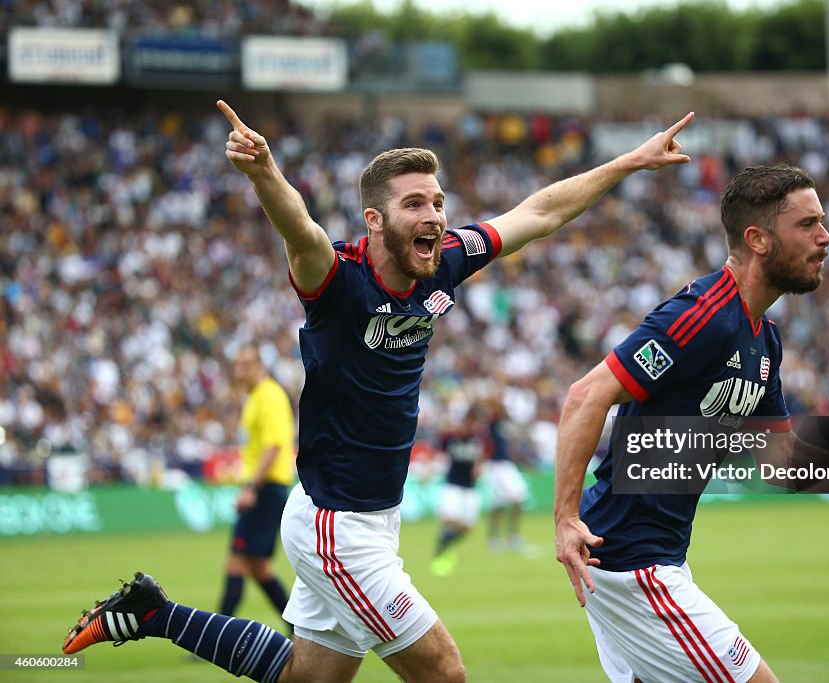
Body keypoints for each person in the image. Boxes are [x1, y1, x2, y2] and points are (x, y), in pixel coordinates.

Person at [62, 102, 698, 683]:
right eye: (415, 204)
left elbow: (540, 212)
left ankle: (153, 614)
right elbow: (301, 231)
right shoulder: (337, 279)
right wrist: (263, 175)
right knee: (445, 674)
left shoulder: (445, 258)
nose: (435, 217)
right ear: (375, 219)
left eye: (438, 202)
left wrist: (632, 161)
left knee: (305, 679)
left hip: (370, 516)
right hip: (337, 527)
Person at [553, 163, 829, 683]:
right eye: (808, 224)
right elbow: (586, 396)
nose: (826, 237)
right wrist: (565, 520)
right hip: (632, 561)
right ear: (758, 240)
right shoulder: (702, 314)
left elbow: (782, 461)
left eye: (823, 222)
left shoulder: (763, 338)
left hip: (648, 557)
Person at [218, 344, 295, 627]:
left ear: (259, 365)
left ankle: (216, 635)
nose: (239, 371)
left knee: (238, 561)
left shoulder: (269, 396)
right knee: (258, 567)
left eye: (245, 365)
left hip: (265, 488)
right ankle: (296, 628)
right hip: (264, 488)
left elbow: (274, 445)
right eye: (237, 365)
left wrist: (251, 486)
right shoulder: (254, 397)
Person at [429, 407, 490, 577]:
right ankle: (442, 548)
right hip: (453, 486)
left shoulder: (478, 440)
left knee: (468, 527)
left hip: (470, 489)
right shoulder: (451, 438)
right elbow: (437, 449)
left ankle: (445, 542)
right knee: (450, 517)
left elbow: (482, 458)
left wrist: (479, 468)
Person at [480, 397, 530, 552]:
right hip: (493, 465)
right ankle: (493, 537)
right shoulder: (487, 425)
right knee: (498, 502)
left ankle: (512, 536)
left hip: (506, 464)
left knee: (518, 498)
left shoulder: (501, 422)